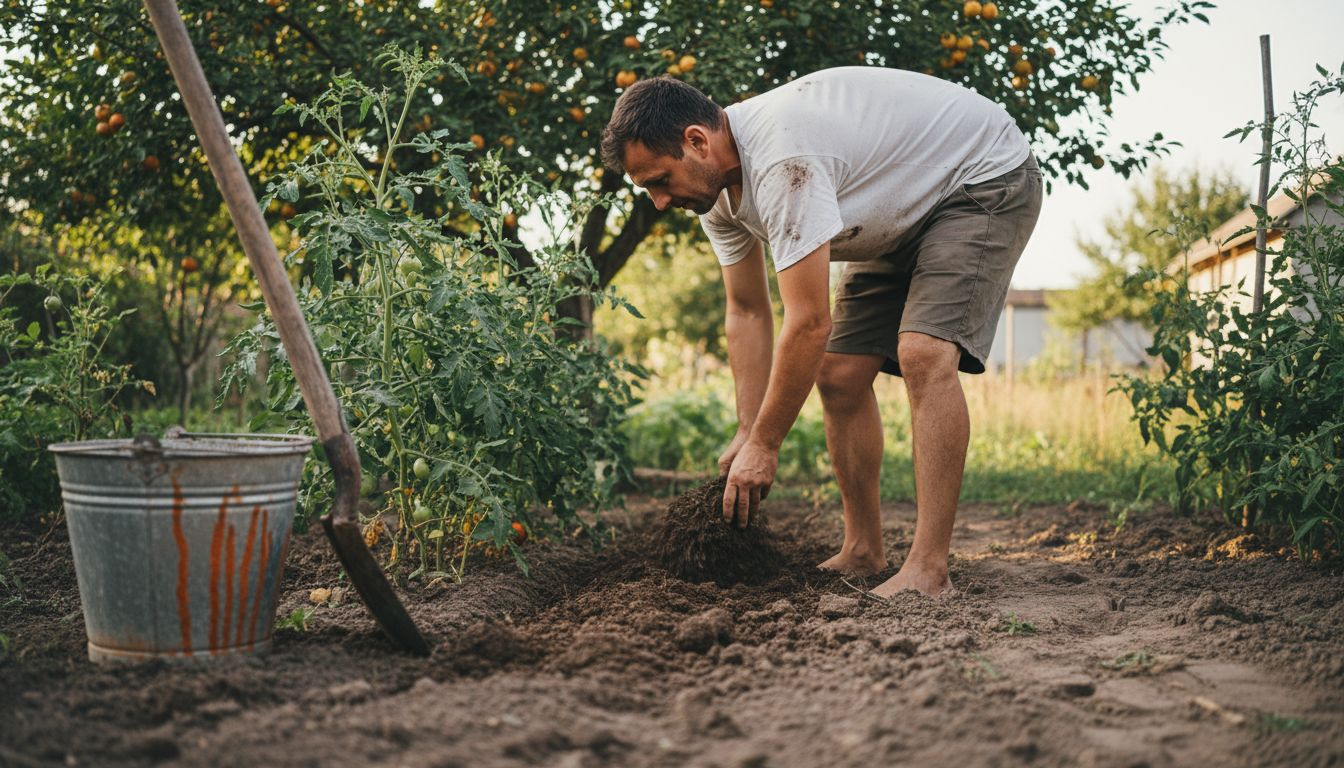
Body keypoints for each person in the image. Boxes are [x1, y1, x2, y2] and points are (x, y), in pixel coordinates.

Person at [600, 67, 1041, 597]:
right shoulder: (715, 196)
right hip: (899, 213)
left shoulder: (782, 160)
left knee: (923, 352)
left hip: (980, 177)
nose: (659, 202)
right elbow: (747, 311)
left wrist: (766, 444)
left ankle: (929, 569)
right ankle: (864, 549)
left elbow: (808, 322)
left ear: (696, 141)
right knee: (838, 373)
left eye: (660, 181)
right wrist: (747, 430)